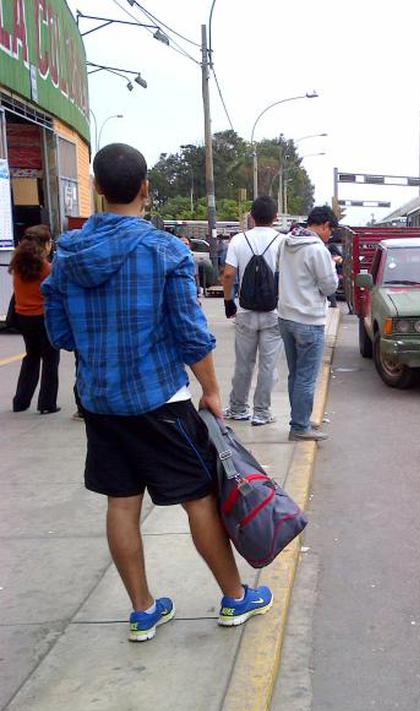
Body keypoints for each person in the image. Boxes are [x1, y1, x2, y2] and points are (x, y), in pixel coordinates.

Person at [42, 143, 272, 642]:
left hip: (100, 402)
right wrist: (211, 390)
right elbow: (191, 336)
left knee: (121, 503)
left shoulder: (66, 253)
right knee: (199, 500)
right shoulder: (165, 251)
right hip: (160, 403)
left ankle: (143, 610)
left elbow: (60, 335)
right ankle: (236, 598)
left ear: (98, 189)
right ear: (146, 188)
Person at [278, 206, 338, 441]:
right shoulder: (317, 250)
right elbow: (330, 286)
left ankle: (299, 419)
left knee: (295, 374)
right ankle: (300, 426)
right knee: (306, 376)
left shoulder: (286, 242)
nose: (329, 236)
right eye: (329, 230)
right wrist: (333, 265)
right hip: (309, 320)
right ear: (324, 225)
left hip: (286, 316)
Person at [222, 196, 283, 426]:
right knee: (268, 366)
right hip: (274, 313)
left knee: (243, 363)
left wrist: (229, 302)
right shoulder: (282, 241)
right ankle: (262, 412)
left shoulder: (238, 240)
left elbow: (228, 274)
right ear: (275, 217)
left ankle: (238, 407)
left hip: (245, 312)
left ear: (252, 216)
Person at [10, 225, 60, 414]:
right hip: (44, 318)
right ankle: (47, 404)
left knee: (31, 357)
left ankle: (21, 401)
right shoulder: (46, 268)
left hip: (23, 317)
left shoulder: (17, 266)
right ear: (46, 244)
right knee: (50, 359)